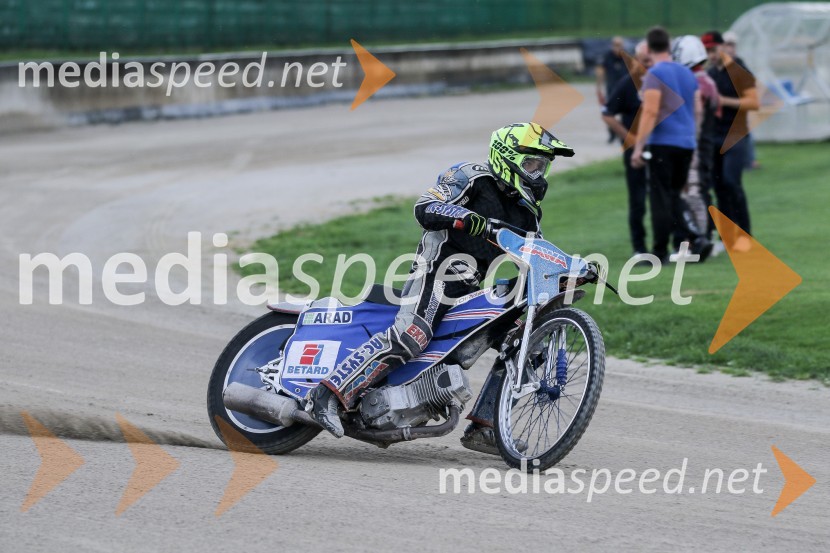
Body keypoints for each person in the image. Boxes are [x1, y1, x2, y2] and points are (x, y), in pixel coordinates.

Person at [305, 122, 575, 451]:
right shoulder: (471, 176)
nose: (538, 175)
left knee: (526, 343)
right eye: (531, 164)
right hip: (434, 271)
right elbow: (425, 207)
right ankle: (328, 394)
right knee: (412, 334)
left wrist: (572, 268)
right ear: (507, 157)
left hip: (471, 289)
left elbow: (536, 254)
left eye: (542, 167)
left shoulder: (527, 212)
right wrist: (469, 219)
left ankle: (486, 427)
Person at [632, 27, 712, 263]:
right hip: (686, 143)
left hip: (663, 143)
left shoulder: (654, 74)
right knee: (675, 194)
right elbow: (698, 109)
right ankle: (697, 237)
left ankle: (659, 251)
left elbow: (650, 111)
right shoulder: (687, 73)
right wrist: (692, 135)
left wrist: (638, 147)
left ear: (649, 48)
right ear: (669, 46)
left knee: (660, 197)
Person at [702, 30, 759, 252]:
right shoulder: (709, 73)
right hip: (714, 135)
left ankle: (745, 235)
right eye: (707, 51)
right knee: (718, 186)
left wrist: (723, 101)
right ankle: (727, 238)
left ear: (723, 47)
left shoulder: (739, 70)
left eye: (713, 49)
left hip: (735, 134)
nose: (711, 55)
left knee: (731, 182)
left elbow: (754, 103)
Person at [601, 40, 652, 256]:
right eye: (644, 61)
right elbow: (607, 114)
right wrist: (630, 139)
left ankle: (673, 244)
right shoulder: (628, 84)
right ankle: (639, 247)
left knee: (665, 197)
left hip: (663, 149)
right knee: (638, 200)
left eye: (652, 60)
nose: (649, 65)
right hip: (635, 151)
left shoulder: (664, 81)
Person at [671, 35, 721, 256]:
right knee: (699, 190)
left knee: (695, 192)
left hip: (697, 145)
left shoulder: (697, 83)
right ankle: (702, 236)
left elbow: (694, 117)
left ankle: (702, 238)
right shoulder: (706, 80)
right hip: (705, 143)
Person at [596, 36, 629, 143]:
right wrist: (599, 87)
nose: (617, 48)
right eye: (615, 45)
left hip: (625, 90)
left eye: (620, 45)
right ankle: (612, 133)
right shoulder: (608, 56)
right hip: (612, 89)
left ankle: (625, 134)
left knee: (626, 113)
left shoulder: (627, 56)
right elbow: (601, 71)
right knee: (609, 113)